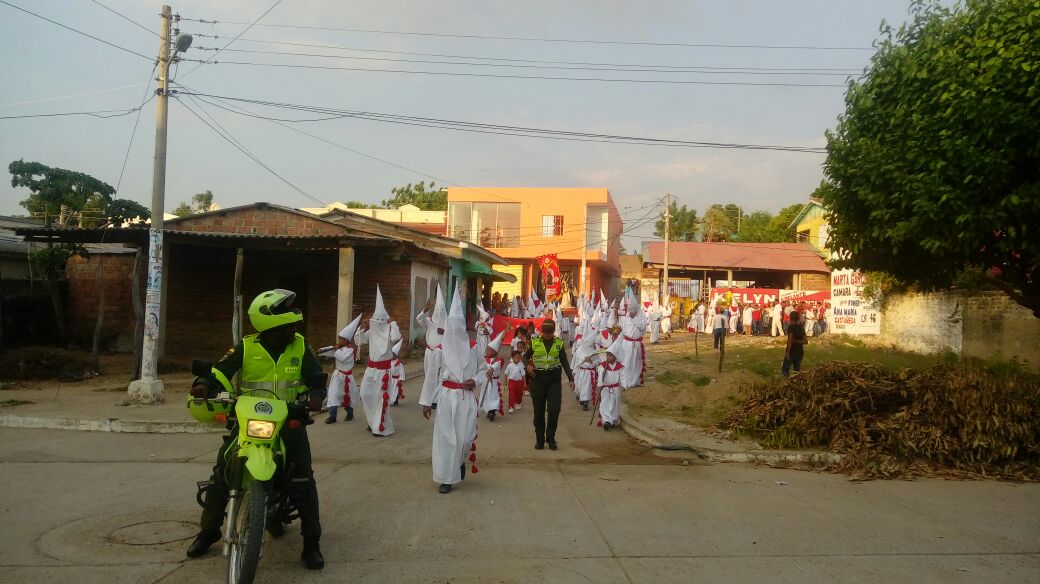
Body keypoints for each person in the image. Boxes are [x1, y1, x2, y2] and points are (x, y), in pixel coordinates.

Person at [186, 288, 325, 569]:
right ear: (270, 327)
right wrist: (205, 384)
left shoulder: (300, 346)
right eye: (288, 327)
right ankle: (209, 531)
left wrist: (317, 395)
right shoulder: (245, 347)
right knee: (223, 472)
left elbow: (315, 378)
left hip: (288, 420)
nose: (293, 331)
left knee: (303, 479)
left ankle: (311, 542)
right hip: (248, 420)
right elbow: (221, 371)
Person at [420, 287, 484, 494]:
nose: (455, 333)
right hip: (447, 396)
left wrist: (474, 380)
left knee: (465, 437)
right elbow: (431, 376)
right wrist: (427, 401)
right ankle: (446, 478)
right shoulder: (440, 350)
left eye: (458, 328)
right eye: (451, 328)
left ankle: (459, 461)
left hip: (466, 398)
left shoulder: (474, 347)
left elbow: (484, 369)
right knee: (447, 438)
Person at [356, 286, 401, 437]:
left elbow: (396, 338)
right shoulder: (372, 331)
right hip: (370, 369)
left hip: (384, 371)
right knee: (366, 394)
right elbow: (358, 340)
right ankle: (372, 421)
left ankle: (381, 427)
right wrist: (362, 327)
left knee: (381, 398)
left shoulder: (389, 330)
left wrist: (393, 323)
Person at [523, 319, 575, 450]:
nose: (547, 335)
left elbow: (564, 361)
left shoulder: (558, 343)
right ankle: (539, 439)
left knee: (554, 410)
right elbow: (524, 357)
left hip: (554, 380)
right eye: (545, 333)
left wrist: (571, 378)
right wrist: (527, 366)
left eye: (550, 333)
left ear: (553, 332)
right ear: (542, 331)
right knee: (539, 412)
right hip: (538, 380)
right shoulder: (534, 343)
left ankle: (551, 438)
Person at [320, 314, 361, 423]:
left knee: (348, 395)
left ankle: (349, 413)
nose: (339, 341)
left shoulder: (350, 350)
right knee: (333, 394)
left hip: (347, 376)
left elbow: (342, 358)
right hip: (338, 375)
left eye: (341, 339)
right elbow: (328, 353)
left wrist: (336, 349)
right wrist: (323, 350)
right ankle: (332, 416)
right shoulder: (339, 348)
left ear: (347, 340)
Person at [416, 287, 447, 414]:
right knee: (429, 374)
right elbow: (419, 320)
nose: (439, 313)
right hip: (430, 352)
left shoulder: (448, 324)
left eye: (441, 311)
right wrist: (425, 310)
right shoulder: (430, 322)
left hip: (441, 353)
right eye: (437, 311)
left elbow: (456, 336)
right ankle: (429, 397)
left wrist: (445, 332)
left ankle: (436, 399)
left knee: (440, 375)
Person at [617, 289, 648, 388]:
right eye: (630, 310)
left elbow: (642, 327)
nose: (631, 312)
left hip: (637, 344)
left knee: (636, 363)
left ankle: (635, 381)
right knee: (626, 362)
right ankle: (625, 382)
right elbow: (623, 330)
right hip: (627, 343)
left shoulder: (641, 315)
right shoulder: (626, 316)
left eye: (633, 310)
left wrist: (634, 318)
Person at [596, 338, 628, 430]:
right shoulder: (603, 366)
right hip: (605, 388)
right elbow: (600, 376)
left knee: (614, 404)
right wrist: (600, 384)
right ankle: (606, 420)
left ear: (615, 356)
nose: (608, 357)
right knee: (605, 403)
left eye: (611, 356)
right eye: (607, 355)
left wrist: (624, 385)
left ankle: (612, 420)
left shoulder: (620, 367)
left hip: (615, 389)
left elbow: (623, 376)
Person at [479, 332, 505, 421]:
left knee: (493, 397)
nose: (487, 351)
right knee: (486, 396)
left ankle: (492, 412)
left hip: (493, 382)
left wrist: (492, 369)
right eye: (487, 349)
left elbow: (497, 365)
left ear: (494, 352)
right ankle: (488, 410)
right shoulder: (484, 358)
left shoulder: (498, 360)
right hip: (486, 380)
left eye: (489, 350)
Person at [782, 311, 808, 377]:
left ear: (790, 318)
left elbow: (790, 340)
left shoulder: (791, 327)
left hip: (792, 351)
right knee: (797, 371)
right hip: (800, 351)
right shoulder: (801, 327)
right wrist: (798, 341)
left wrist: (788, 352)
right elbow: (805, 341)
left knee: (785, 369)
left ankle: (787, 383)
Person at [390, 338, 405, 405]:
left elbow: (401, 371)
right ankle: (390, 400)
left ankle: (395, 400)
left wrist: (400, 379)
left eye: (392, 355)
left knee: (395, 390)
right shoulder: (388, 362)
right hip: (390, 379)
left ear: (395, 355)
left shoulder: (399, 364)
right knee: (390, 390)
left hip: (396, 380)